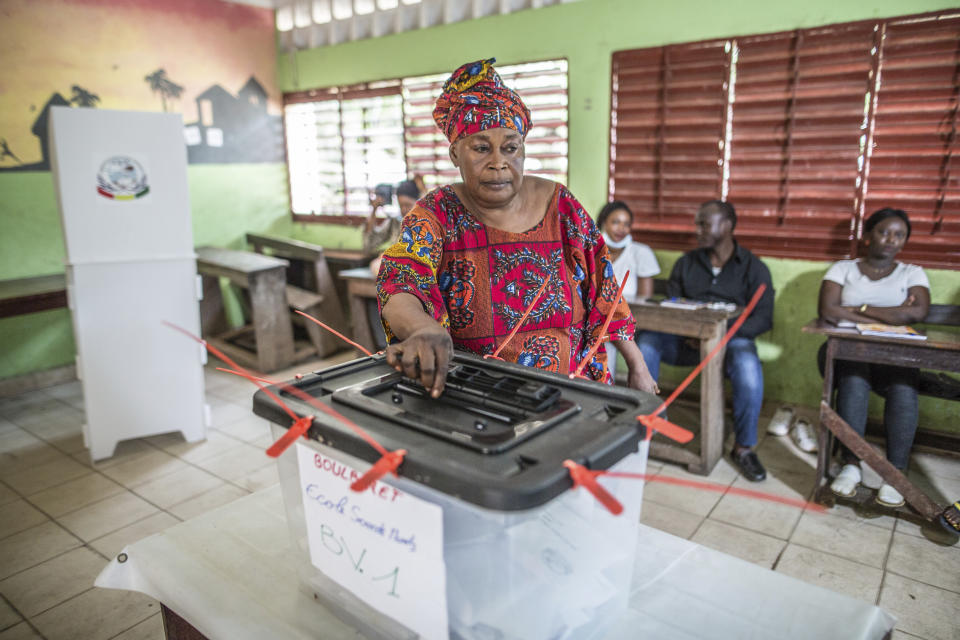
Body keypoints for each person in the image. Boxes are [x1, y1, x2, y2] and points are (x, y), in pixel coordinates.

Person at [375, 58, 658, 397]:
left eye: (511, 147)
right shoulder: (435, 213)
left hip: (572, 389)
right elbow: (400, 281)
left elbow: (605, 289)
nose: (498, 162)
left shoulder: (561, 206)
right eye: (481, 148)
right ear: (455, 153)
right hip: (478, 393)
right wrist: (422, 328)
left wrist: (638, 366)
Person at [636, 200, 775, 481]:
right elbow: (672, 305)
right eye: (697, 223)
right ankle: (648, 426)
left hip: (730, 342)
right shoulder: (686, 264)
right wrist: (691, 332)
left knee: (748, 369)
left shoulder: (754, 268)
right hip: (685, 341)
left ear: (727, 226)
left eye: (704, 223)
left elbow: (762, 319)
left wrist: (719, 334)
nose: (697, 229)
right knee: (647, 344)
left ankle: (744, 447)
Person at [817, 208, 930, 507]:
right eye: (883, 232)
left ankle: (895, 473)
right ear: (867, 237)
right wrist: (893, 314)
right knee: (854, 379)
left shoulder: (912, 273)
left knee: (904, 387)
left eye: (899, 235)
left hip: (895, 357)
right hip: (847, 352)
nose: (891, 239)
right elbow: (828, 311)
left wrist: (860, 310)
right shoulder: (843, 268)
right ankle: (851, 464)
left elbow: (917, 313)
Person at [596, 201, 660, 378]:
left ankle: (610, 394)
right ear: (603, 223)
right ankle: (603, 392)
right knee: (600, 335)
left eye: (626, 224)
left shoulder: (641, 253)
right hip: (597, 318)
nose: (621, 228)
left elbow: (645, 300)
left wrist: (620, 322)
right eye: (615, 222)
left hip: (631, 320)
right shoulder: (592, 251)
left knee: (605, 337)